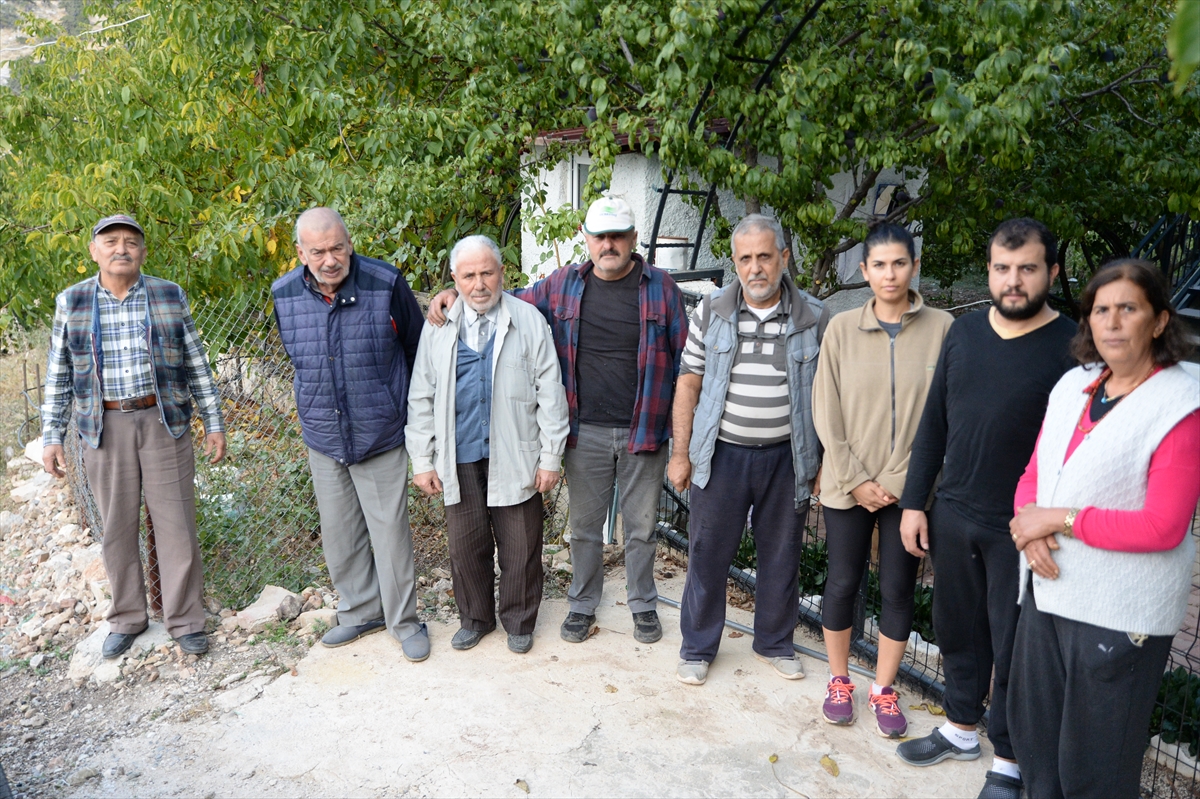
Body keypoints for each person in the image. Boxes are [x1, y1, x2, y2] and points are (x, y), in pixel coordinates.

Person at [427, 196, 688, 645]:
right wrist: (456, 294)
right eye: (600, 236)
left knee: (642, 527)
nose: (609, 244)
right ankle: (583, 604)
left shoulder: (662, 289)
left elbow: (687, 364)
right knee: (585, 530)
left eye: (618, 236)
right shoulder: (562, 285)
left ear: (632, 240)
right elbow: (501, 299)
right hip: (582, 432)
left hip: (642, 430)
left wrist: (683, 443)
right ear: (586, 239)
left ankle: (643, 603)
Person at [895, 218, 1076, 799]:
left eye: (1027, 269)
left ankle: (1011, 759)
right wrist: (914, 503)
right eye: (1002, 268)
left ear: (1051, 272)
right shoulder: (964, 333)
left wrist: (1053, 520)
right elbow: (934, 423)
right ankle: (960, 726)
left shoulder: (1072, 347)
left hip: (1020, 527)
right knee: (955, 629)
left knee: (1014, 646)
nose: (1013, 281)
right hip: (953, 510)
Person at [1007, 259, 1200, 799]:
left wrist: (1060, 520)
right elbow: (1034, 475)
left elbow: (1164, 526)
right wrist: (1030, 527)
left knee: (1094, 769)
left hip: (1118, 616)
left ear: (1159, 321)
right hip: (1046, 592)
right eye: (1100, 310)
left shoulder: (1181, 405)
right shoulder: (1074, 385)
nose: (1112, 321)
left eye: (1128, 309)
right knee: (1037, 748)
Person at [41, 214, 227, 659]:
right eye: (111, 241)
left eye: (131, 242)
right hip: (103, 428)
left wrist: (214, 421)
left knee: (176, 525)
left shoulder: (168, 295)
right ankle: (127, 618)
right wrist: (51, 435)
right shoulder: (73, 301)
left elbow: (196, 362)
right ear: (94, 251)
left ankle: (185, 621)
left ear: (143, 252)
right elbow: (58, 373)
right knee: (117, 528)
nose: (121, 248)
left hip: (165, 422)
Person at [668, 213, 828, 686]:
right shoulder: (711, 312)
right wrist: (681, 453)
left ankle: (773, 643)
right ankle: (697, 648)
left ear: (784, 257)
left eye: (764, 256)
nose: (755, 267)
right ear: (735, 263)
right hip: (722, 454)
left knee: (781, 555)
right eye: (745, 258)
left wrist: (822, 462)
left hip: (787, 456)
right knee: (707, 553)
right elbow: (688, 384)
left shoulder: (814, 318)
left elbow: (828, 396)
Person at [812, 223, 953, 736]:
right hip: (847, 485)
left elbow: (942, 413)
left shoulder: (942, 328)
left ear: (914, 266)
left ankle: (884, 689)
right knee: (843, 582)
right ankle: (839, 680)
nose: (889, 274)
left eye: (899, 263)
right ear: (864, 270)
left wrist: (899, 481)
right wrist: (853, 478)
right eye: (879, 265)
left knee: (897, 588)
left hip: (910, 492)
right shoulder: (841, 329)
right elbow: (825, 408)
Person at [271, 207, 429, 662]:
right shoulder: (283, 293)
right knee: (340, 535)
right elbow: (297, 356)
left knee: (390, 536)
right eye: (317, 251)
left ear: (350, 243)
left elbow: (418, 350)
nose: (329, 259)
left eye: (336, 247)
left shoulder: (386, 283)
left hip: (379, 431)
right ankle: (361, 613)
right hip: (323, 434)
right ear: (300, 253)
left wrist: (411, 419)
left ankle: (404, 621)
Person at [406, 235, 568, 655]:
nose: (479, 284)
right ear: (455, 280)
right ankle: (475, 619)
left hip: (515, 452)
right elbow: (421, 395)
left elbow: (550, 392)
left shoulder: (529, 320)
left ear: (502, 274)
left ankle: (518, 621)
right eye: (468, 276)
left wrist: (551, 457)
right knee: (466, 544)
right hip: (457, 456)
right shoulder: (439, 326)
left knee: (521, 545)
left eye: (487, 273)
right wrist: (422, 460)